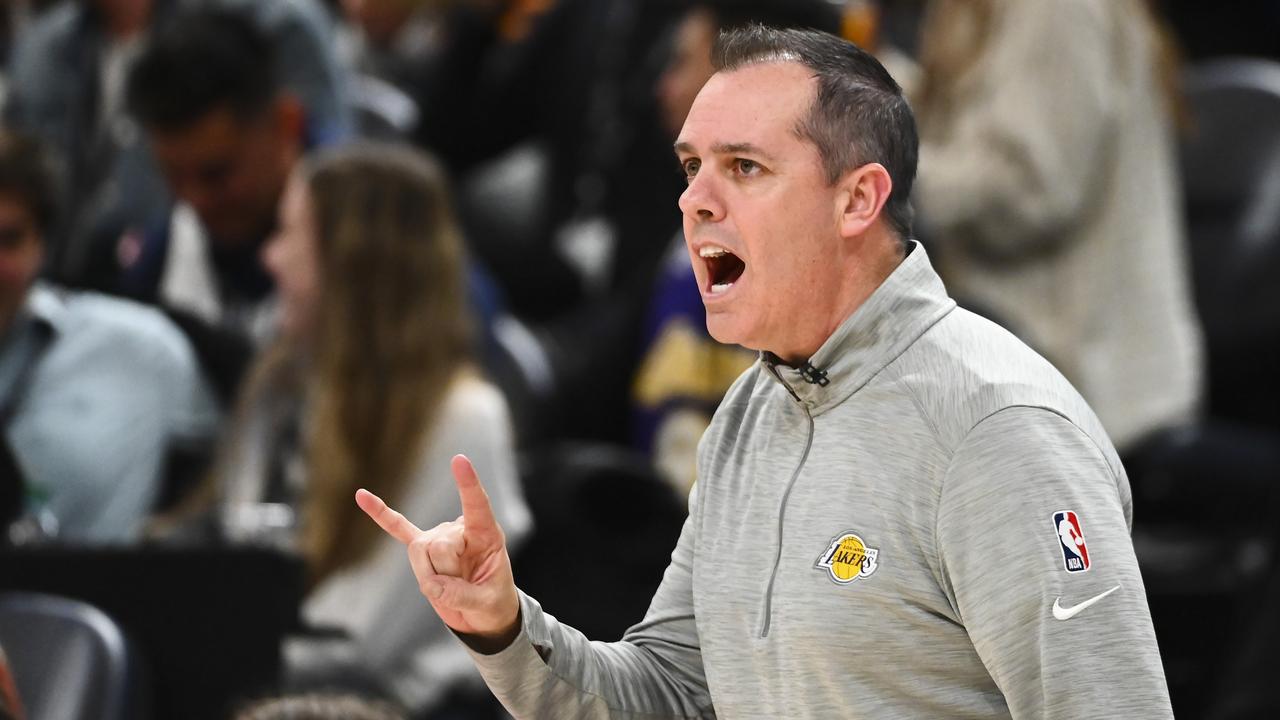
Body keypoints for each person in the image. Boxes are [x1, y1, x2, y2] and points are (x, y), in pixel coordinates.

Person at [357, 25, 1174, 718]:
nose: (695, 202)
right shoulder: (750, 414)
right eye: (690, 168)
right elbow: (668, 693)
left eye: (743, 168)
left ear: (858, 201)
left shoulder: (999, 431)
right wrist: (502, 627)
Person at [210, 142, 530, 716]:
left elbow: (357, 641)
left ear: (347, 262)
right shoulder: (281, 386)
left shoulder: (461, 417)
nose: (271, 259)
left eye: (290, 236)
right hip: (275, 689)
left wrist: (196, 645)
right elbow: (240, 558)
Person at [909, 0, 1203, 453]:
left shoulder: (1056, 9)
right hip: (1004, 376)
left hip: (1079, 393)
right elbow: (963, 138)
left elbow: (1029, 195)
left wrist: (882, 169)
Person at [4, 0, 348, 290]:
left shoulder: (348, 234)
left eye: (216, 174)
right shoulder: (40, 50)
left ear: (286, 125)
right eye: (173, 178)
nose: (196, 200)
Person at [0, 128, 217, 543]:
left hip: (102, 596)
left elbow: (224, 485)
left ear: (42, 245)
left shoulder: (141, 349)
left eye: (9, 240)